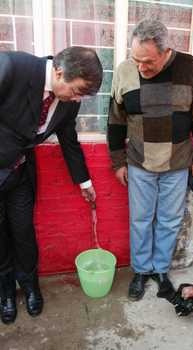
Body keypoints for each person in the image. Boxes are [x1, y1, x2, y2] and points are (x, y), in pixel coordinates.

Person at [0, 46, 103, 324]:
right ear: (59, 72)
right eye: (78, 90)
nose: (78, 98)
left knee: (23, 232)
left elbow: (69, 142)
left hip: (21, 172)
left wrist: (85, 182)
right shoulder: (11, 67)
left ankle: (30, 284)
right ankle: (6, 290)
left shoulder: (69, 101)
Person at [107, 19, 193, 301]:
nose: (141, 67)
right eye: (136, 59)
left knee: (170, 220)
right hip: (138, 162)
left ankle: (160, 270)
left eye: (147, 61)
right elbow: (115, 120)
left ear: (165, 51)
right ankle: (141, 270)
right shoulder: (125, 71)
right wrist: (118, 161)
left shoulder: (190, 68)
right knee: (140, 219)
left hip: (177, 161)